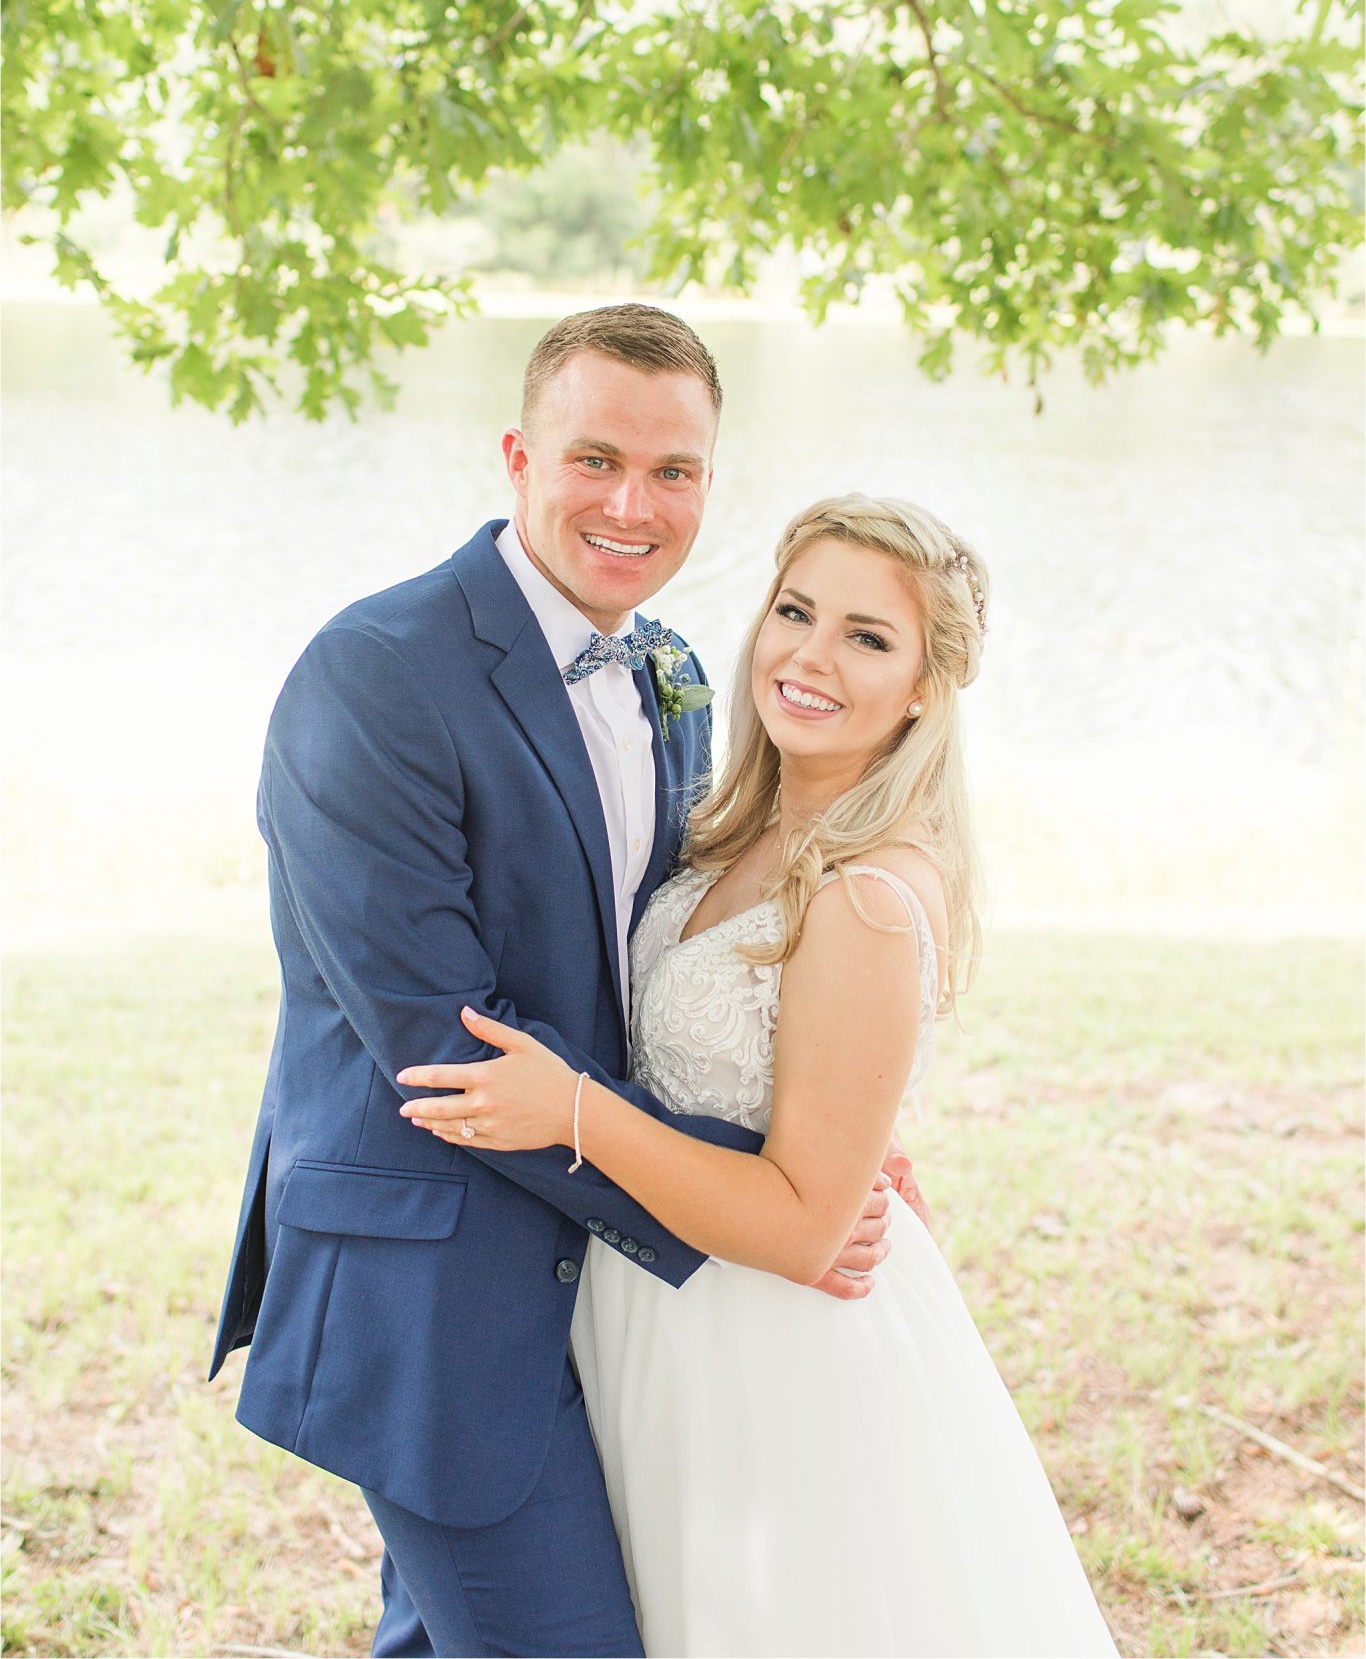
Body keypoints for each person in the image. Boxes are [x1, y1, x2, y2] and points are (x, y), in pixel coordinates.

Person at [210, 308, 924, 1659]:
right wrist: (773, 1195)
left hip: (602, 1288)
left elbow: (662, 958)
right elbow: (450, 1044)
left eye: (674, 473)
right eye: (593, 458)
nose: (630, 505)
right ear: (516, 455)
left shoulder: (676, 671)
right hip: (437, 1300)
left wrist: (830, 1127)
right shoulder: (372, 677)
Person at [399, 493, 1120, 1658]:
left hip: (778, 1351)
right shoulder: (744, 826)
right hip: (665, 1313)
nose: (809, 654)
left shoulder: (867, 894)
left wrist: (571, 1108)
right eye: (795, 610)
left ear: (926, 687)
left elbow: (799, 1226)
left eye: (867, 637)